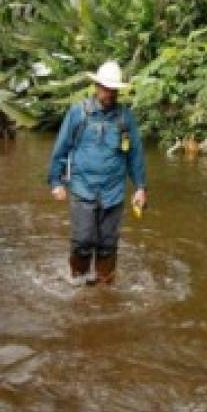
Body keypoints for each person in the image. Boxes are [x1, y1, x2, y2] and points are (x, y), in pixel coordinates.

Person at [48, 61, 147, 285]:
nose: (109, 93)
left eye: (113, 89)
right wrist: (56, 182)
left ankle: (105, 285)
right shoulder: (78, 113)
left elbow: (135, 155)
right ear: (96, 86)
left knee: (108, 244)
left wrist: (141, 187)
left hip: (114, 192)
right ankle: (78, 283)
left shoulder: (125, 118)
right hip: (83, 188)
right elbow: (61, 148)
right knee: (82, 241)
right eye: (105, 87)